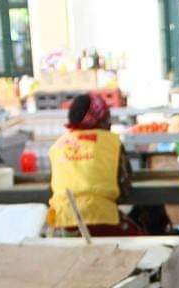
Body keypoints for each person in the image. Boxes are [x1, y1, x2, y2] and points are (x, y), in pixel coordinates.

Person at [47, 93, 137, 235]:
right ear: (102, 116)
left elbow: (53, 186)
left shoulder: (57, 145)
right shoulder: (112, 142)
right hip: (101, 219)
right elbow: (125, 189)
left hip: (62, 222)